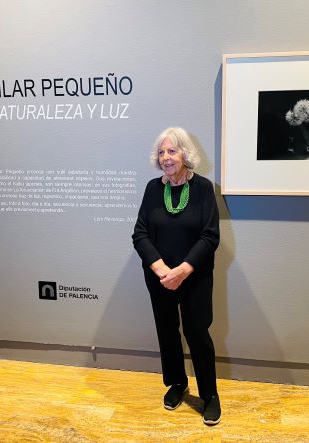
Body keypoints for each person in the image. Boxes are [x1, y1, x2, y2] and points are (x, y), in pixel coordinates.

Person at [132, 127, 221, 425]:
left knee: (197, 334)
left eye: (172, 151)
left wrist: (182, 271)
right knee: (167, 331)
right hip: (160, 279)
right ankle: (177, 383)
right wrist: (161, 269)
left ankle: (209, 394)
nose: (166, 158)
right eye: (161, 152)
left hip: (194, 277)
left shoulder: (203, 188)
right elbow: (140, 234)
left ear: (185, 153)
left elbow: (210, 236)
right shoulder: (152, 189)